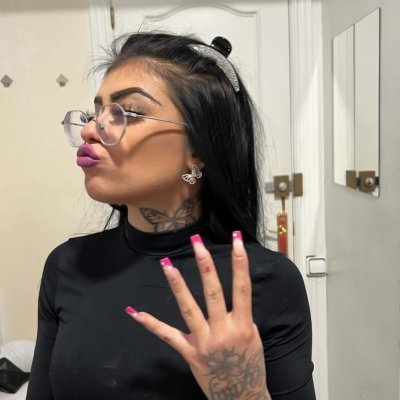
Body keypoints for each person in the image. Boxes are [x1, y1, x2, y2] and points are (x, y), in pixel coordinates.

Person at [26, 32, 316, 400]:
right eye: (95, 113)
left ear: (199, 149)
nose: (88, 130)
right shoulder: (67, 265)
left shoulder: (267, 282)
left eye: (128, 112)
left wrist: (242, 391)